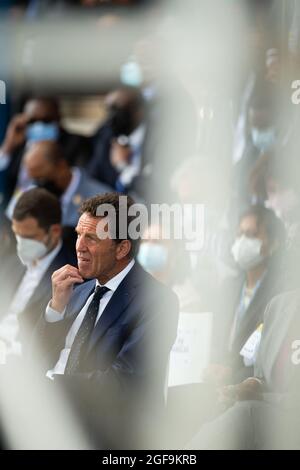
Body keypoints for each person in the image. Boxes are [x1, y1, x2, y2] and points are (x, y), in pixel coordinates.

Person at [35, 192, 179, 449]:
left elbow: (126, 382)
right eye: (79, 234)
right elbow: (36, 357)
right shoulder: (76, 289)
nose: (79, 246)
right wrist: (55, 308)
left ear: (122, 248)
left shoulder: (158, 300)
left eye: (91, 238)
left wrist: (54, 390)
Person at [208, 205, 286, 386]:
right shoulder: (229, 286)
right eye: (240, 233)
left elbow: (270, 356)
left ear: (273, 244)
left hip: (250, 388)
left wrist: (234, 375)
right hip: (214, 383)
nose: (242, 241)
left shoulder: (280, 293)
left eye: (251, 235)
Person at [0, 187, 76, 359]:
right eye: (17, 235)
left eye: (29, 237)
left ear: (55, 231)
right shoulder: (10, 263)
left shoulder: (71, 279)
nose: (21, 244)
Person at [0, 96, 91, 208]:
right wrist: (8, 145)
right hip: (13, 211)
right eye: (33, 121)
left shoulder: (76, 143)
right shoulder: (19, 142)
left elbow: (81, 177)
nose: (39, 126)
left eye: (46, 120)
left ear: (58, 118)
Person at [6, 140, 111, 227]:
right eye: (34, 179)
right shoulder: (34, 193)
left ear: (61, 166)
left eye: (42, 179)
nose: (38, 185)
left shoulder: (102, 201)